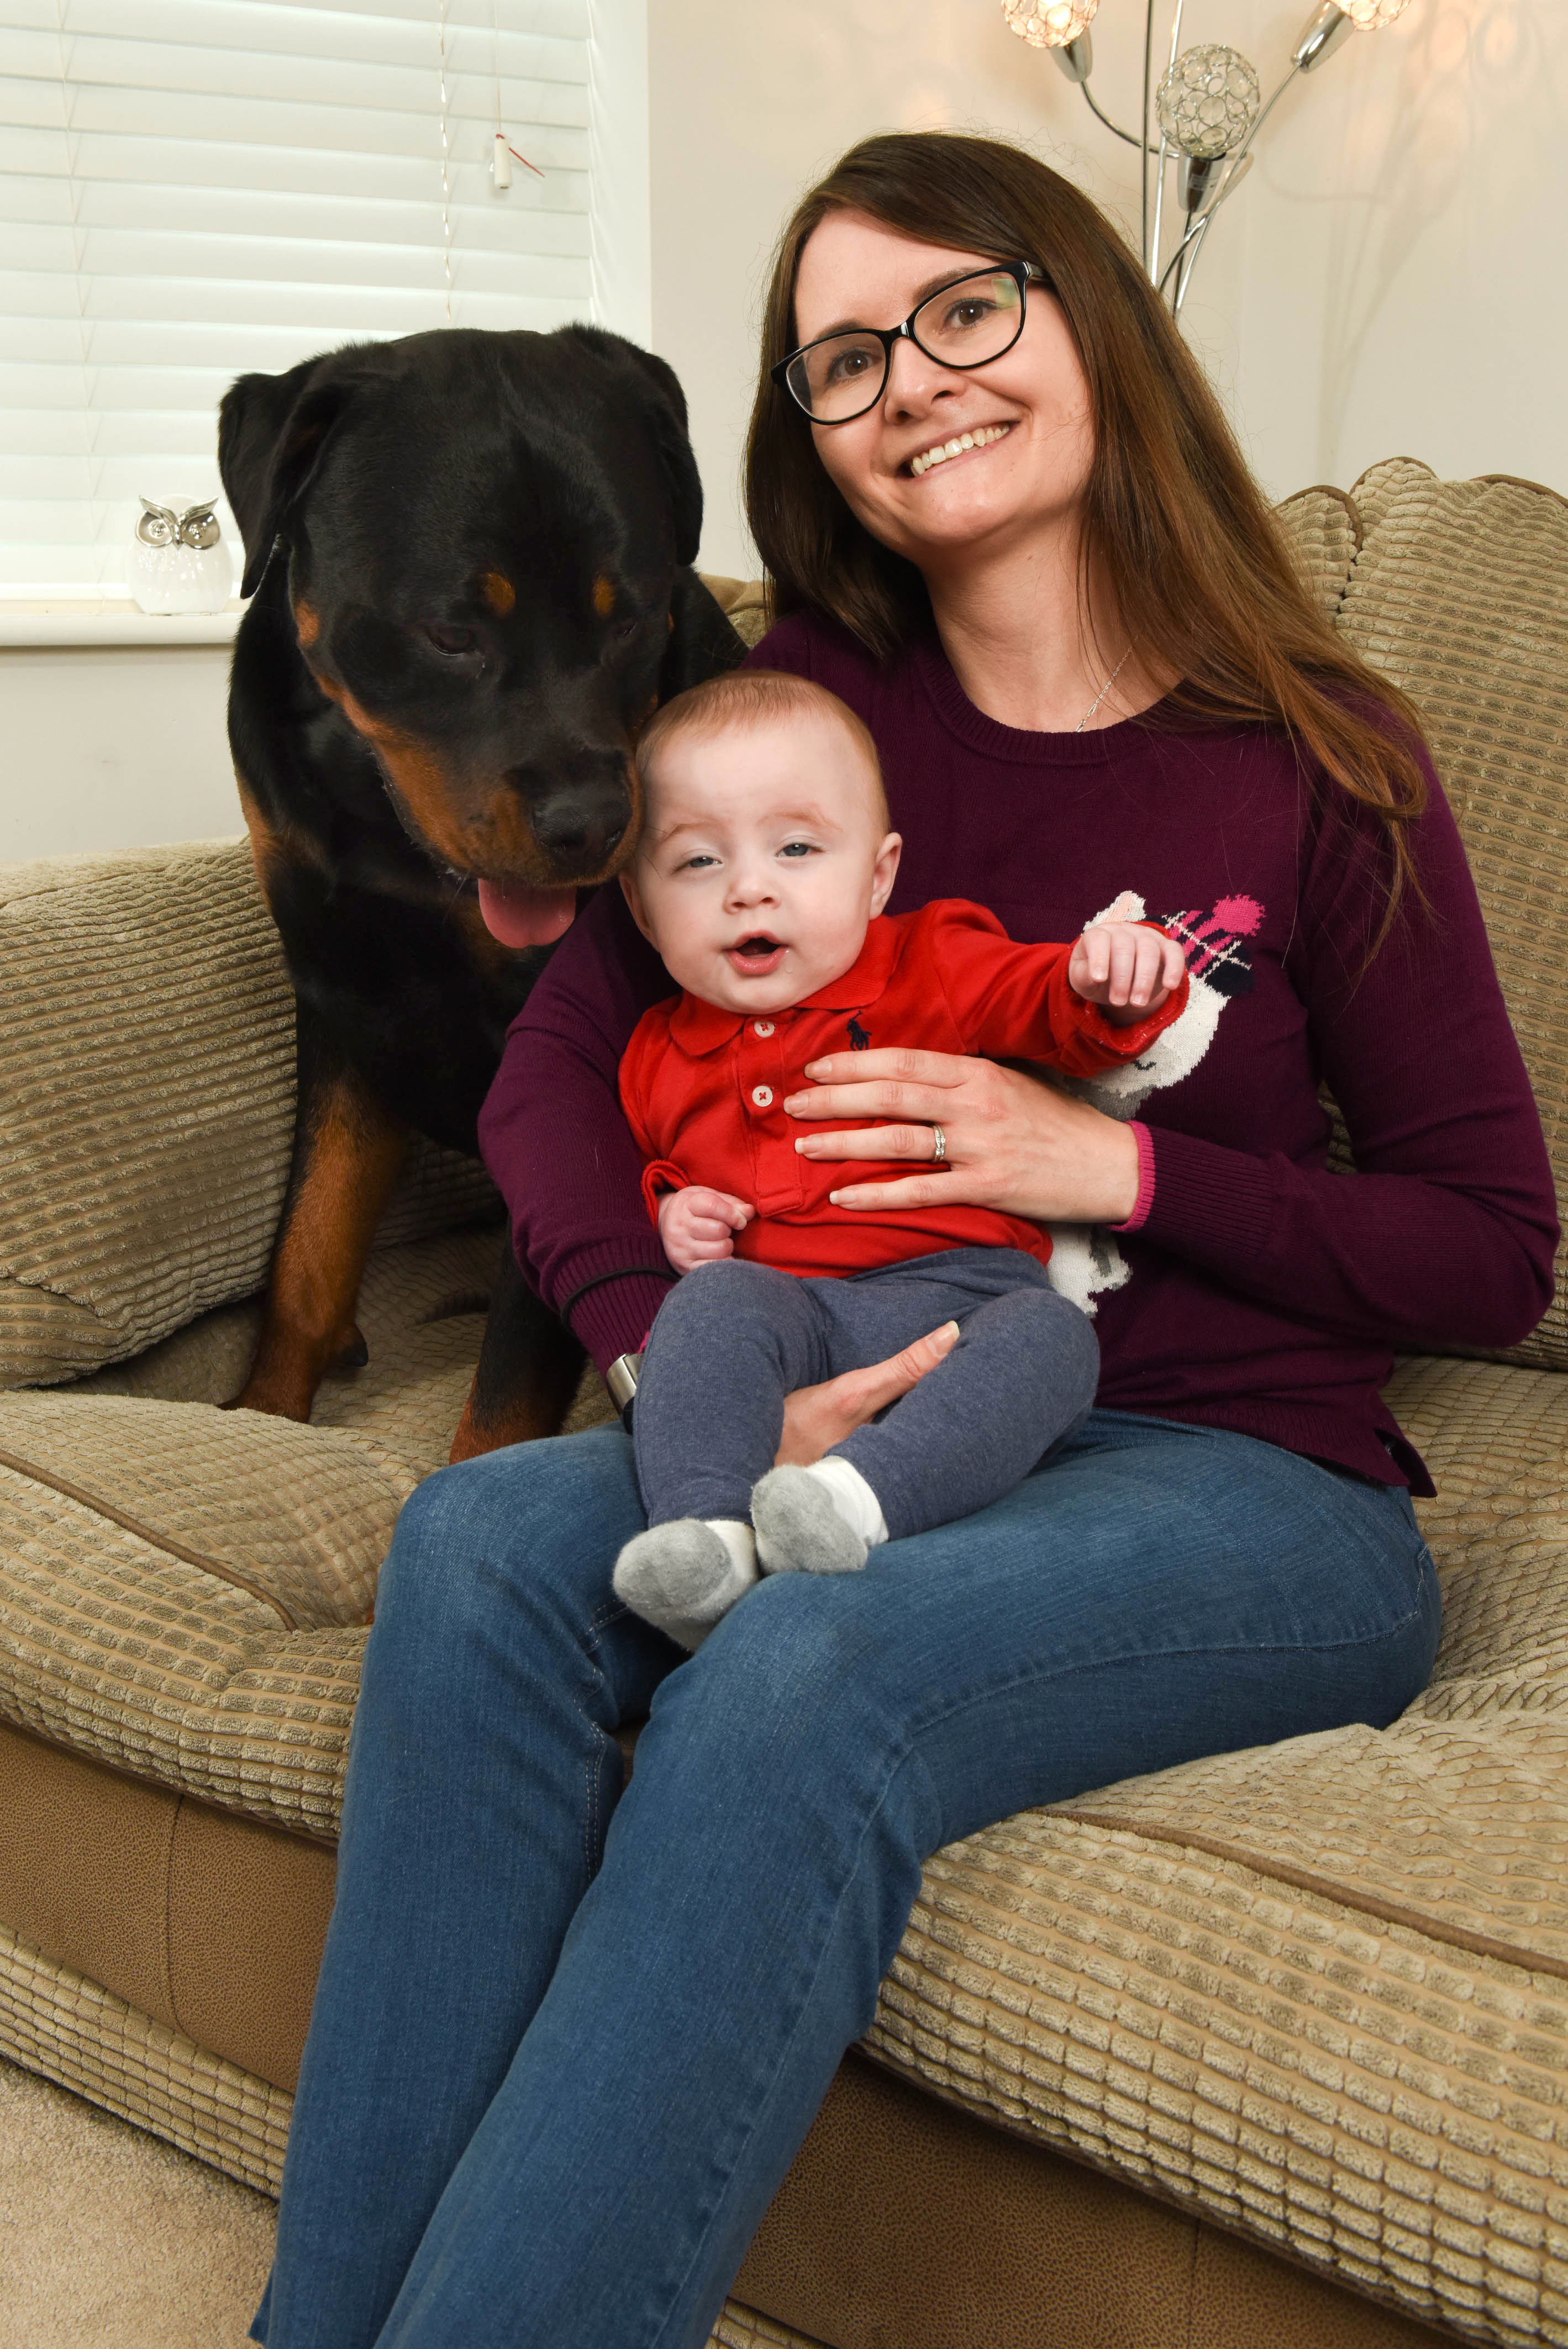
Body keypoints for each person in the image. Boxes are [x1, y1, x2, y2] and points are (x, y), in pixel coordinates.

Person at [251, 132, 1556, 2349]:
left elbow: (1486, 1245)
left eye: (967, 305)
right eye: (841, 353)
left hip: (1251, 1483)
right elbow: (552, 1072)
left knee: (803, 1665)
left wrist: (1107, 1170)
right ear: (808, 437)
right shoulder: (792, 741)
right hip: (836, 1392)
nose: (908, 379)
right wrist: (681, 1344)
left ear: (1092, 327)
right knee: (474, 1556)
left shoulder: (1324, 757)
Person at [610, 665, 1188, 1647]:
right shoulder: (657, 1049)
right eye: (698, 863)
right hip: (790, 1311)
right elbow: (671, 1162)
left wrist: (1107, 984)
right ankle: (703, 1537)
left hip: (962, 1293)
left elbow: (1039, 1003)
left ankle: (852, 1501)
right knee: (704, 1310)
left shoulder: (930, 960)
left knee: (1052, 1342)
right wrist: (675, 1211)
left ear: (876, 877)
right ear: (640, 906)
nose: (750, 886)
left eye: (796, 849)